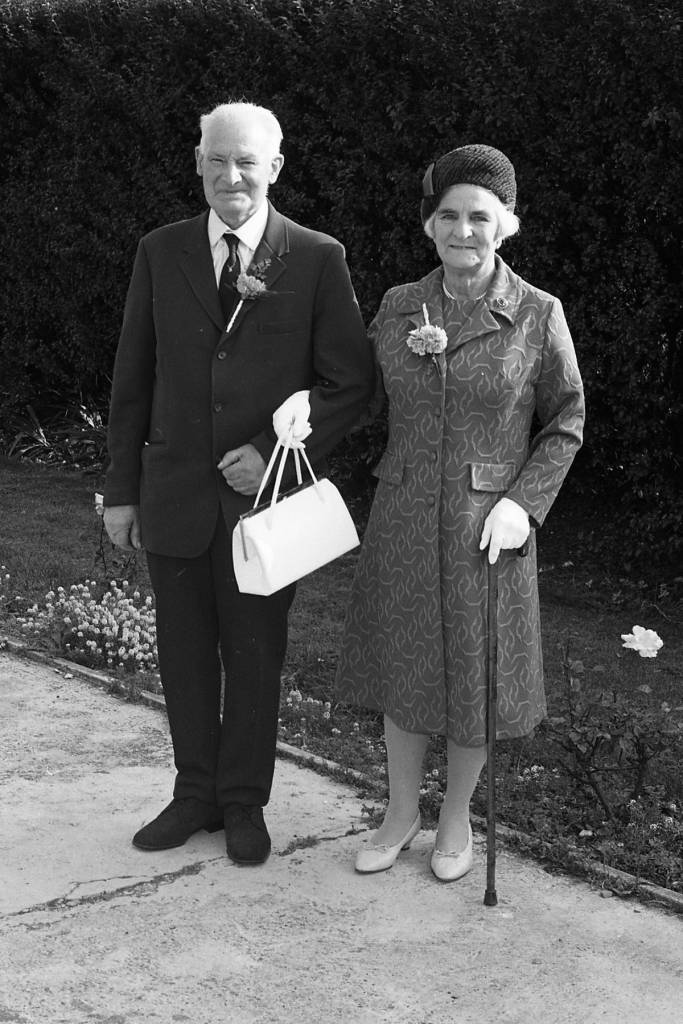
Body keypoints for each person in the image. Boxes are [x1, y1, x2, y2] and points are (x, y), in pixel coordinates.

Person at [103, 101, 373, 865]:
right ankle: (194, 793)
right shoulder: (160, 251)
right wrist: (121, 490)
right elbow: (133, 379)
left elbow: (349, 384)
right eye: (216, 160)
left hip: (265, 505)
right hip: (174, 494)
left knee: (255, 654)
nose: (231, 176)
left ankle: (243, 800)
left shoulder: (315, 257)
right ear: (197, 164)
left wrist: (268, 448)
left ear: (274, 168)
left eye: (247, 162)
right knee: (183, 653)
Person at [333, 144, 585, 881]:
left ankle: (454, 818)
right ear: (429, 224)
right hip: (404, 516)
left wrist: (523, 505)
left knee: (475, 675)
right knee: (403, 667)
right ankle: (399, 812)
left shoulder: (537, 313)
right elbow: (358, 394)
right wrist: (301, 411)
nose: (463, 229)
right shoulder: (398, 306)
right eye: (448, 215)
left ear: (507, 224)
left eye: (479, 215)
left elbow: (565, 421)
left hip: (488, 530)